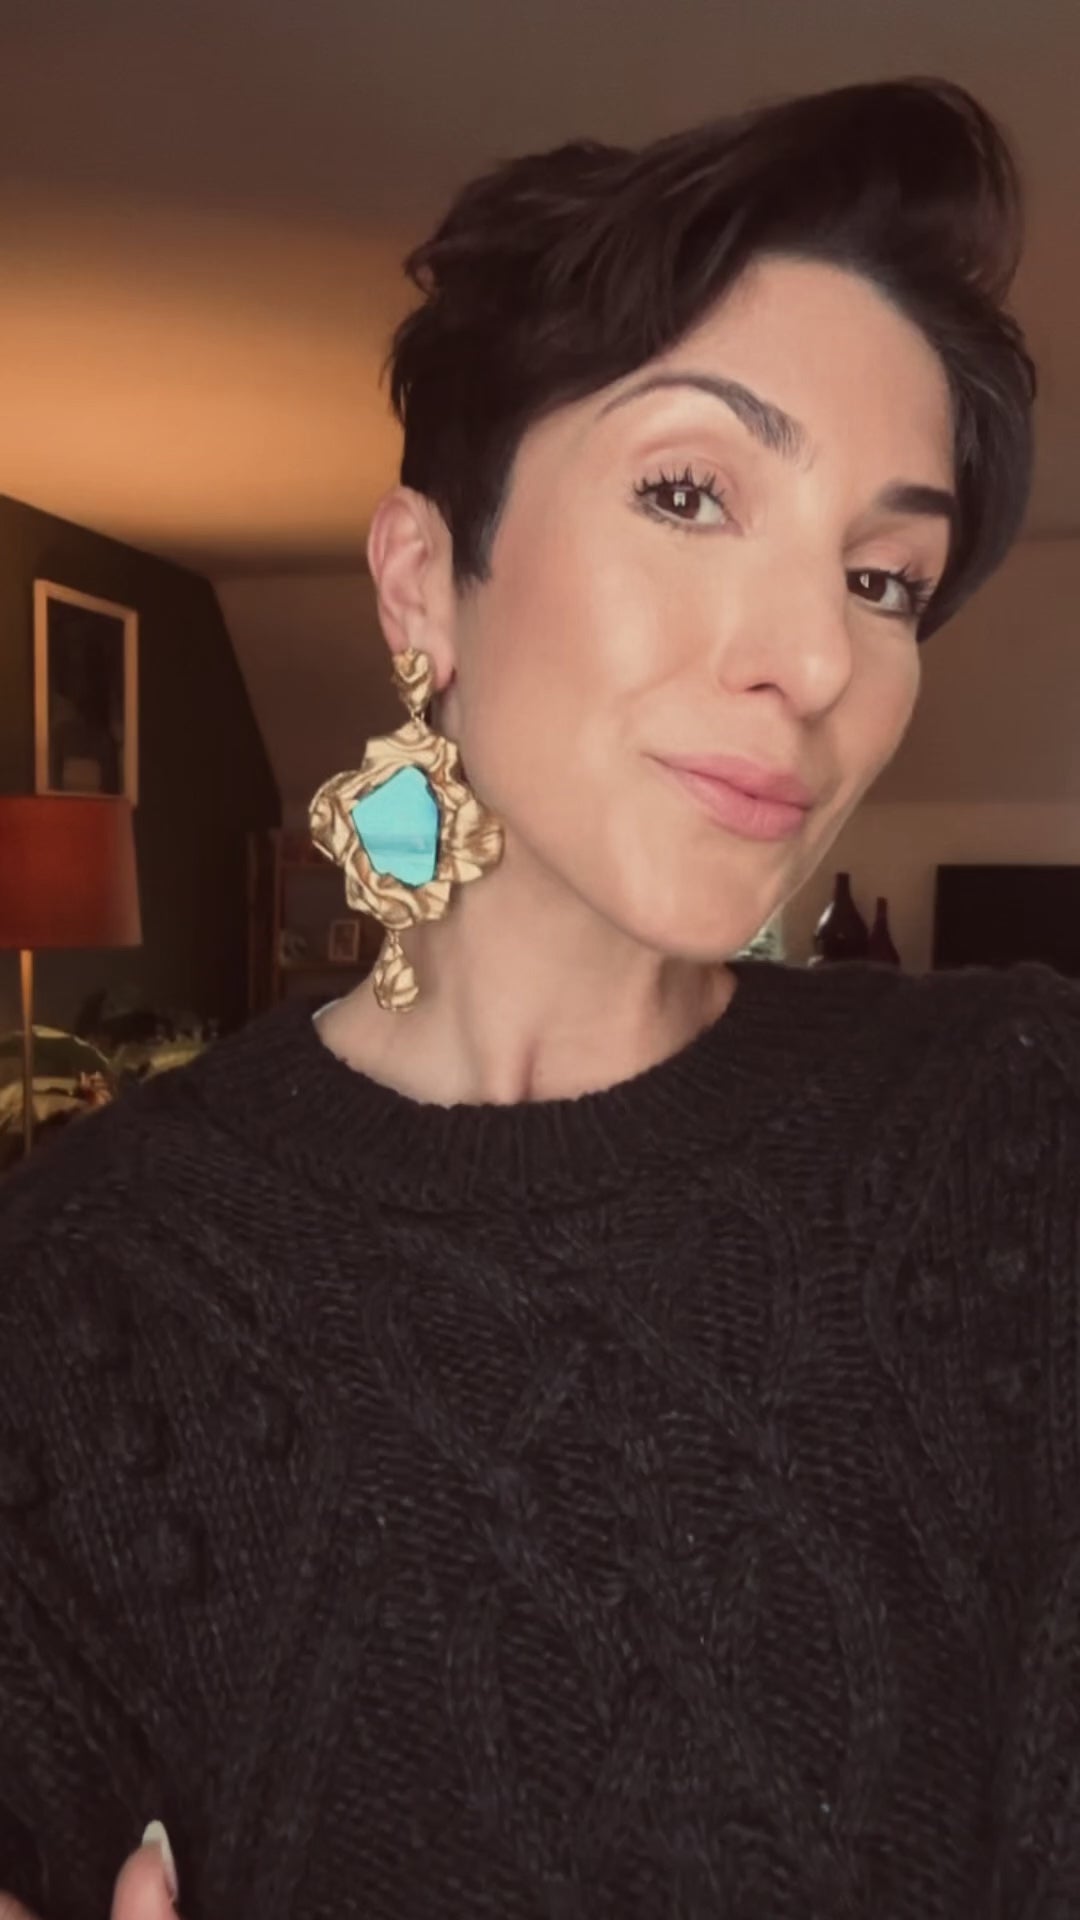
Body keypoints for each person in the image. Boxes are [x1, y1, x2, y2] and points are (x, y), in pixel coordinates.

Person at [0, 74, 1074, 1920]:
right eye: (689, 491)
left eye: (884, 577)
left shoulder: (1018, 1133)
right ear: (426, 579)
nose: (818, 658)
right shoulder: (85, 1293)